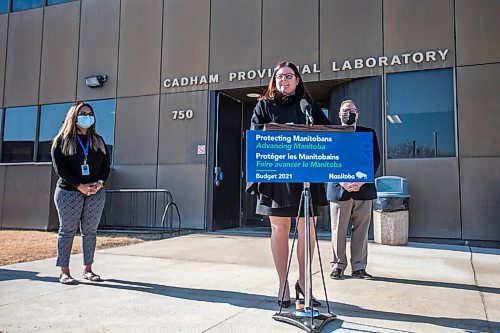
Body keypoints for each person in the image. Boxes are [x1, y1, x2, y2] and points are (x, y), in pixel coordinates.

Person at [247, 61, 330, 307]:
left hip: (306, 177)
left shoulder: (308, 105)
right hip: (277, 178)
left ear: (297, 80)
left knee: (309, 230)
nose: (284, 79)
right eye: (280, 76)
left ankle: (304, 283)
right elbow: (255, 139)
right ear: (275, 80)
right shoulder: (264, 105)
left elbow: (327, 133)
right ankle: (283, 284)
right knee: (279, 230)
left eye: (289, 76)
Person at [51, 102, 110, 285]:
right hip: (69, 191)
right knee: (67, 231)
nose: (87, 117)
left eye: (90, 113)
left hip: (96, 192)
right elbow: (61, 168)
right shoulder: (62, 141)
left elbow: (106, 165)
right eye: (83, 113)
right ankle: (64, 272)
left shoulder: (98, 140)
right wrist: (79, 186)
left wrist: (99, 183)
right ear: (74, 117)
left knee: (90, 232)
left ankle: (88, 269)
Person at [327, 99, 380, 280]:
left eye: (352, 110)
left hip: (363, 190)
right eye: (345, 110)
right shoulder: (332, 134)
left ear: (357, 114)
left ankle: (359, 267)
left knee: (362, 231)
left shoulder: (368, 133)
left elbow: (374, 160)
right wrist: (343, 181)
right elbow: (327, 160)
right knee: (338, 230)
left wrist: (361, 181)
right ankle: (337, 266)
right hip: (339, 190)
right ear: (339, 114)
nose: (348, 113)